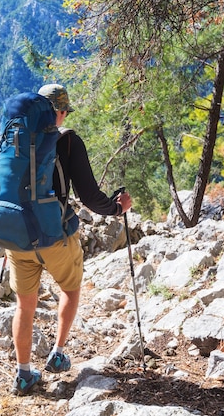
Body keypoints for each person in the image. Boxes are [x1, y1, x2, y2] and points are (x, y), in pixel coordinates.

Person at [8, 84, 132, 395]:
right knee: (71, 289)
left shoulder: (14, 137)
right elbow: (89, 196)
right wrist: (117, 208)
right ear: (60, 112)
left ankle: (24, 374)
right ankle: (58, 354)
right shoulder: (67, 141)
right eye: (64, 111)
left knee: (25, 306)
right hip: (54, 236)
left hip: (17, 236)